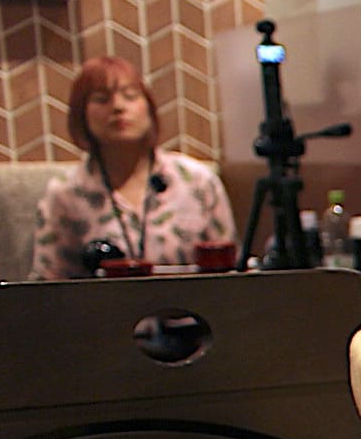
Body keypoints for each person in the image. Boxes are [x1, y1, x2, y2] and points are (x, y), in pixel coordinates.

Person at [31, 55, 235, 280]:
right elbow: (48, 285)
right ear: (82, 115)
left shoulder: (196, 180)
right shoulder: (65, 194)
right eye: (101, 99)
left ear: (149, 108)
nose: (118, 107)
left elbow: (230, 275)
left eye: (130, 96)